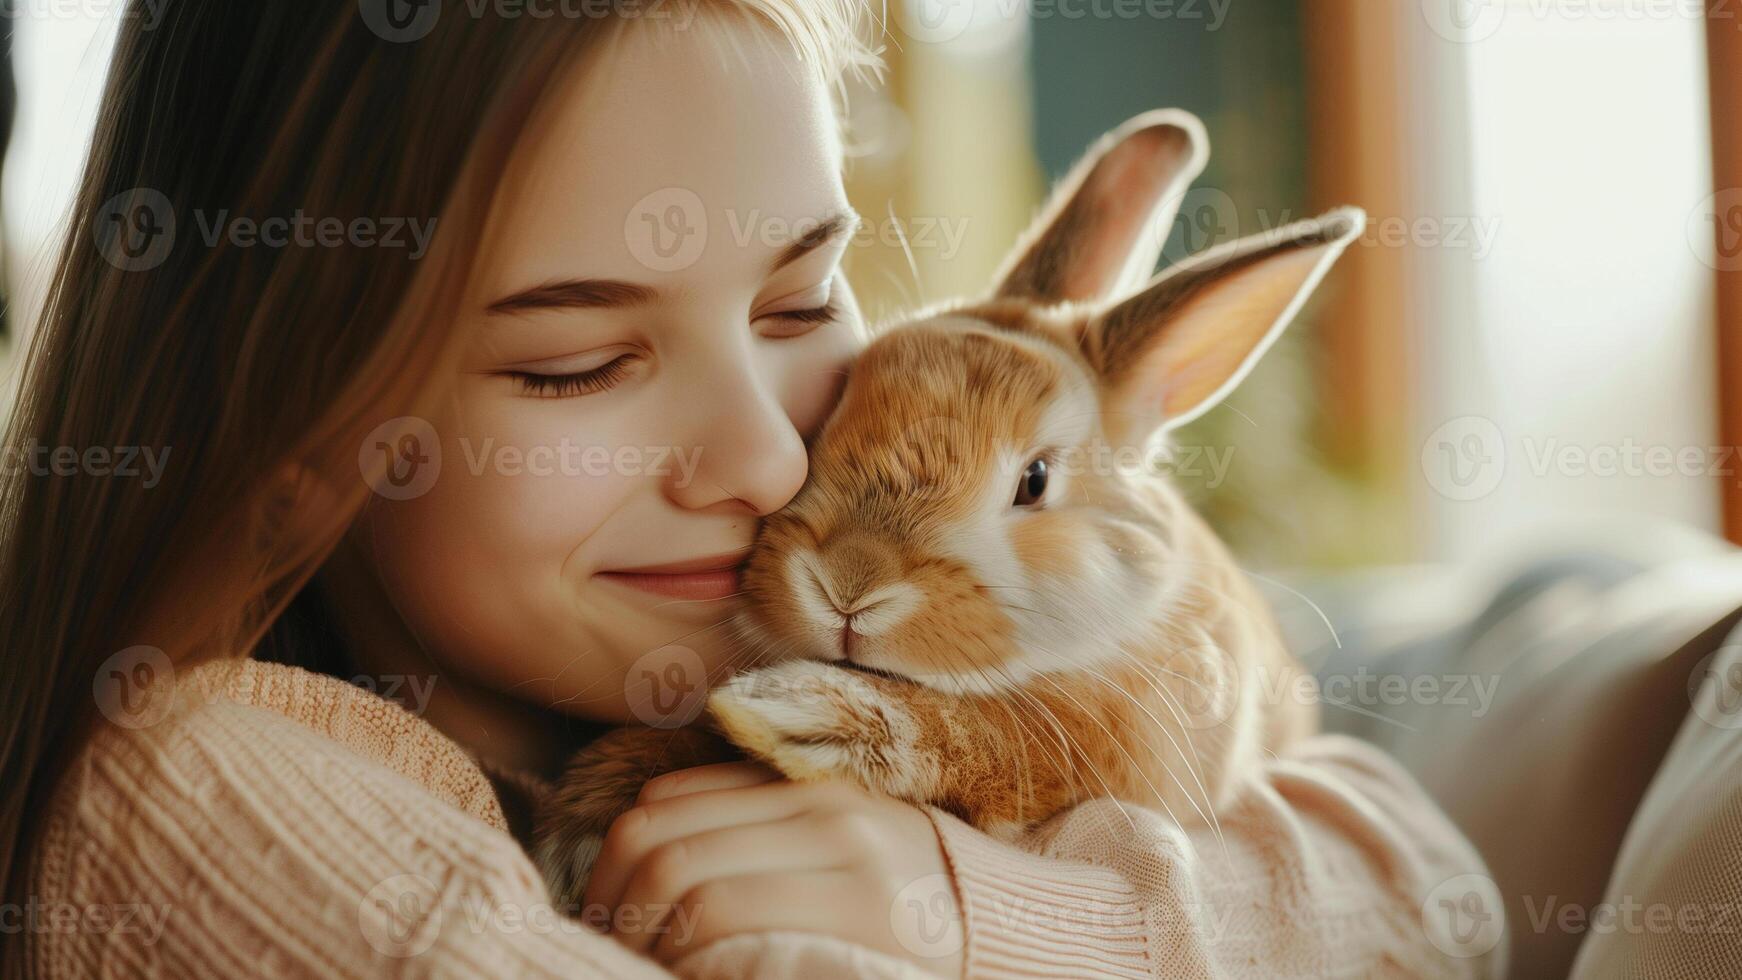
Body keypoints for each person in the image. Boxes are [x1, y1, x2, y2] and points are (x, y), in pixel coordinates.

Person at [0, 2, 1502, 977]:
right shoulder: (195, 792)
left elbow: (1432, 892)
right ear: (283, 425)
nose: (776, 460)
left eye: (799, 309)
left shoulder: (822, 657)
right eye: (576, 364)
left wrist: (993, 908)